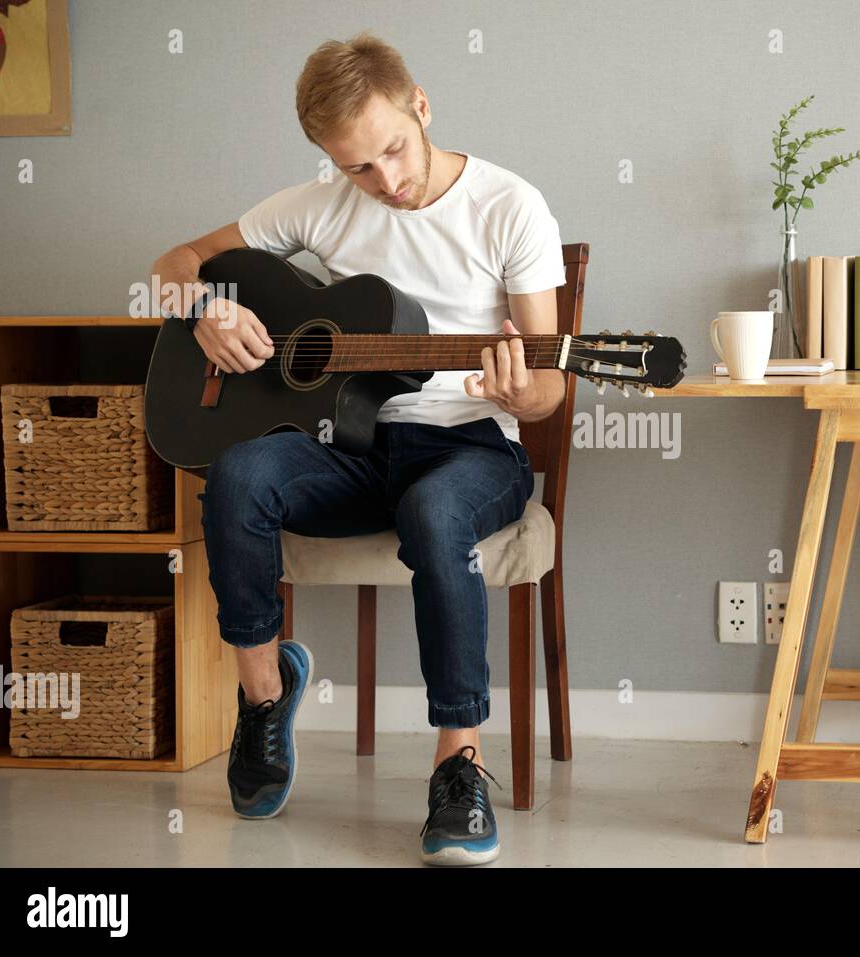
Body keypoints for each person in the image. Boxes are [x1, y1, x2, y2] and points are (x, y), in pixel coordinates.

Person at [148, 32, 568, 866]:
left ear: (421, 106)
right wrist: (206, 305)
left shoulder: (511, 206)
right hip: (349, 447)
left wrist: (520, 389)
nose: (386, 182)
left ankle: (459, 765)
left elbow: (550, 388)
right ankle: (265, 697)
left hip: (468, 446)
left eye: (393, 152)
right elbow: (174, 260)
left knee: (436, 509)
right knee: (237, 474)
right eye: (356, 169)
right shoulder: (317, 204)